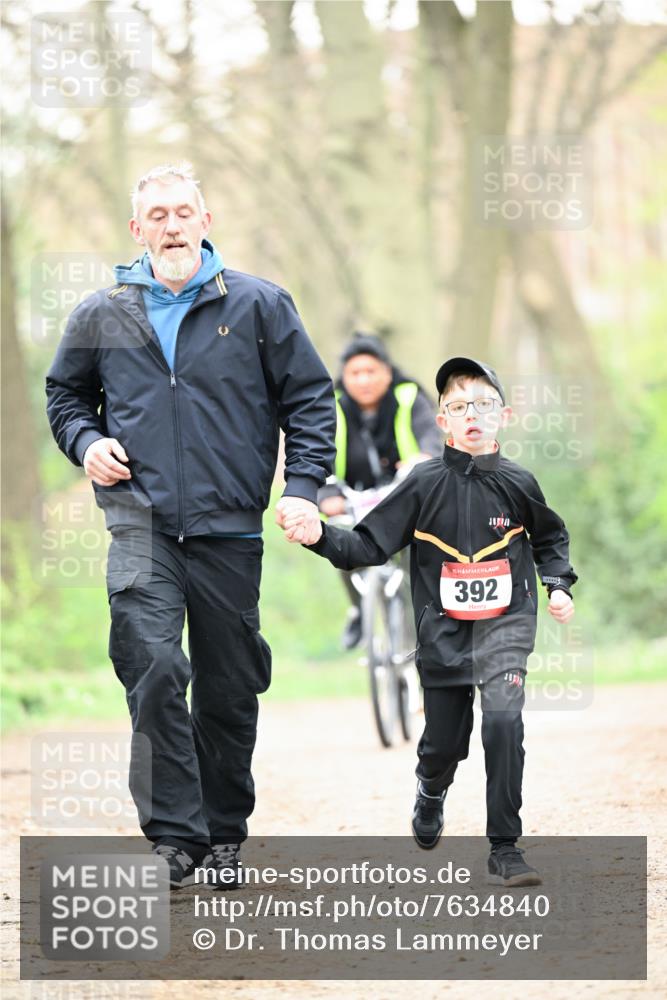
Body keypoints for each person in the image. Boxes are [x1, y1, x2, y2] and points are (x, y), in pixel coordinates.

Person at [45, 162, 335, 889]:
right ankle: (175, 837)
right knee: (151, 666)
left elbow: (308, 400)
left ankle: (224, 834)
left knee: (228, 686)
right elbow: (65, 395)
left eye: (184, 212)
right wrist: (87, 443)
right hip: (139, 523)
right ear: (136, 229)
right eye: (158, 215)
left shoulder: (261, 306)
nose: (172, 226)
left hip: (228, 527)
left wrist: (300, 487)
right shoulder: (101, 313)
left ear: (206, 223)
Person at [288, 356, 576, 887]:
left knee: (504, 722)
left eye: (484, 405)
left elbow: (550, 538)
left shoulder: (519, 482)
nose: (472, 414)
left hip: (505, 626)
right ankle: (430, 786)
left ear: (503, 416)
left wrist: (557, 584)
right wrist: (319, 536)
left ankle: (505, 848)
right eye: (459, 406)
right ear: (441, 420)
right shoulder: (422, 482)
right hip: (441, 632)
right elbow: (369, 544)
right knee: (446, 741)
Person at [318, 333, 441, 649]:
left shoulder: (409, 397)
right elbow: (318, 453)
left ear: (387, 371)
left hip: (403, 495)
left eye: (371, 371)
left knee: (418, 557)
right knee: (339, 537)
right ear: (344, 378)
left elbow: (430, 437)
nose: (363, 380)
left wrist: (423, 459)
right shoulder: (331, 405)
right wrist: (326, 492)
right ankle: (360, 607)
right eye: (355, 373)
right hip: (353, 497)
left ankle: (419, 641)